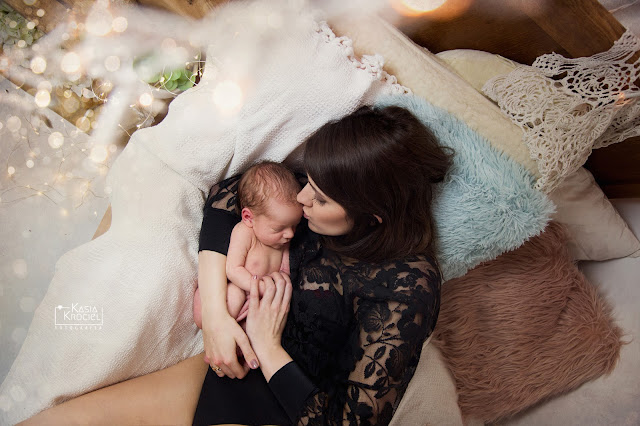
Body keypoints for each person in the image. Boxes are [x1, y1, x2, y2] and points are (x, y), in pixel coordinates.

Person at [19, 104, 452, 425]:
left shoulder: (408, 286)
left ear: (372, 215)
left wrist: (268, 345)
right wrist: (214, 316)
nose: (302, 199)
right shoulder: (320, 184)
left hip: (285, 409)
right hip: (226, 369)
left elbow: (346, 422)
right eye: (308, 182)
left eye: (319, 199)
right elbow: (232, 196)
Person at [193, 161, 302, 329]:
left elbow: (285, 268)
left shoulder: (282, 238)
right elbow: (233, 269)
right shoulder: (245, 232)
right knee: (235, 296)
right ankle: (220, 328)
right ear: (249, 218)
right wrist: (257, 286)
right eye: (279, 228)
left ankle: (244, 336)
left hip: (261, 295)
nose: (290, 234)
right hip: (239, 287)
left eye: (294, 225)